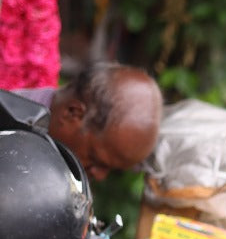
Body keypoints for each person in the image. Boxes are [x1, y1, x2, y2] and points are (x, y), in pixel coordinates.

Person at [17, 63, 163, 181]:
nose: (100, 176)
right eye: (95, 159)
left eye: (111, 170)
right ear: (73, 113)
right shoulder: (9, 136)